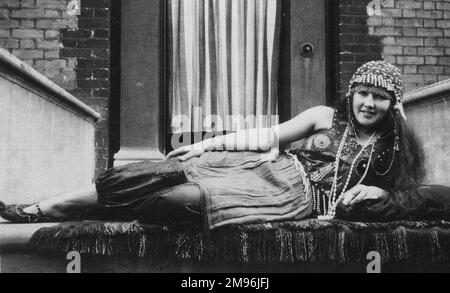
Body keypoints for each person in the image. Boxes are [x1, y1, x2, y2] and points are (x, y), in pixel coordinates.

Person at [0, 61, 447, 229]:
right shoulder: (323, 117)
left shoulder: (393, 152)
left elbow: (425, 196)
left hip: (290, 198)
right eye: (362, 93)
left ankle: (88, 210)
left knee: (171, 203)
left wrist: (385, 194)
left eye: (380, 96)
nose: (368, 103)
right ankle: (45, 207)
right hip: (263, 167)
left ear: (394, 104)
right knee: (143, 173)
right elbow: (266, 137)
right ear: (351, 93)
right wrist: (206, 146)